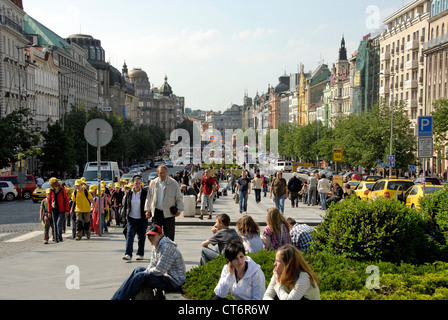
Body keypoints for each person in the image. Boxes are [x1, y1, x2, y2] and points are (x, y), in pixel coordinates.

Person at [111, 225, 186, 300]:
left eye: (153, 235)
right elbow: (152, 265)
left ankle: (120, 299)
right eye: (149, 235)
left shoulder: (166, 247)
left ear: (160, 235)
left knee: (141, 276)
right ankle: (115, 297)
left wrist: (146, 272)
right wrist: (146, 271)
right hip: (165, 277)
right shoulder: (155, 246)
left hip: (174, 282)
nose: (150, 238)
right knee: (138, 269)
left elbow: (159, 271)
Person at [145, 164, 184, 241]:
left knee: (169, 236)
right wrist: (147, 210)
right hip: (156, 213)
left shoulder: (174, 183)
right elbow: (149, 197)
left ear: (166, 172)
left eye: (163, 172)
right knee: (155, 236)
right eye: (160, 172)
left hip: (169, 213)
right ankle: (157, 251)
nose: (161, 174)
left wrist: (179, 210)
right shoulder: (153, 183)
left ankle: (168, 252)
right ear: (157, 173)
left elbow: (179, 198)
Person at [122, 176, 149, 261]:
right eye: (136, 183)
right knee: (130, 235)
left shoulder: (145, 193)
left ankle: (140, 254)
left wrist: (148, 212)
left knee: (141, 237)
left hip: (142, 218)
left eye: (139, 183)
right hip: (131, 217)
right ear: (133, 183)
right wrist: (124, 216)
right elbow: (125, 205)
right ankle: (128, 254)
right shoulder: (129, 193)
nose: (137, 185)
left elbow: (148, 203)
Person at [47, 177, 69, 243]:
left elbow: (67, 200)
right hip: (54, 210)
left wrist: (67, 210)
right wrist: (49, 211)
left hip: (61, 210)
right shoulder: (51, 191)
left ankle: (60, 236)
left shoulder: (62, 190)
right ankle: (56, 239)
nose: (51, 186)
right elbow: (49, 201)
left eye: (51, 185)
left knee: (58, 224)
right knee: (55, 224)